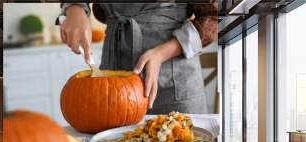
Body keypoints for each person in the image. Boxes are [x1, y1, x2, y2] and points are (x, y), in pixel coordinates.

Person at [58, 3, 217, 114]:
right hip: (113, 85)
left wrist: (161, 53)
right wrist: (75, 8)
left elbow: (213, 16)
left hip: (177, 87)